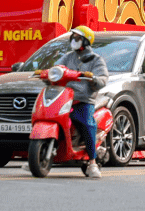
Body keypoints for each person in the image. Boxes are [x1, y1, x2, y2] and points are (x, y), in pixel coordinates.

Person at [58, 26, 108, 179]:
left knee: (87, 123)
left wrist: (93, 78)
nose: (73, 40)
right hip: (64, 97)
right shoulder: (68, 57)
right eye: (72, 37)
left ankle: (92, 162)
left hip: (83, 99)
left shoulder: (96, 60)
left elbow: (103, 78)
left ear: (85, 41)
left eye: (77, 38)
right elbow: (57, 67)